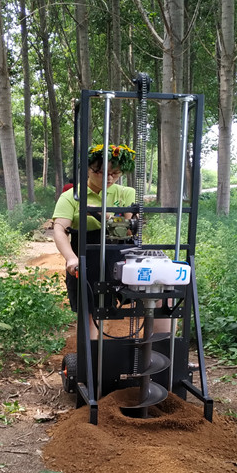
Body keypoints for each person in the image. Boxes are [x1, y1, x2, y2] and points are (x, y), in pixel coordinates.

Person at [52, 143, 136, 339]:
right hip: (86, 255)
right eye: (101, 172)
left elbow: (128, 229)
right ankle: (89, 354)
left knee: (158, 296)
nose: (109, 178)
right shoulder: (71, 196)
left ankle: (159, 349)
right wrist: (71, 258)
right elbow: (59, 229)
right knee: (90, 313)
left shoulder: (125, 193)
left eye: (115, 173)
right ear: (88, 169)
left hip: (119, 253)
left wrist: (103, 215)